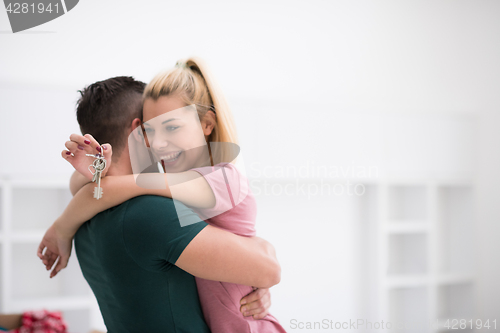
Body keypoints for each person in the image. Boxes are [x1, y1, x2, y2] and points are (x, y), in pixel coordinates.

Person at [38, 72, 280, 332]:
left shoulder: (85, 224)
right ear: (139, 131)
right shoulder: (152, 212)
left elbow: (95, 189)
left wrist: (63, 225)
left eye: (171, 126)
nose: (160, 142)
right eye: (151, 129)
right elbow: (269, 270)